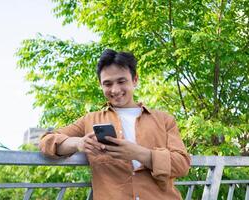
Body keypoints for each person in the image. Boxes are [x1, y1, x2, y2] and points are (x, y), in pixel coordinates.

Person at [39, 49, 191, 200]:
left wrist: (139, 153)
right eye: (108, 84)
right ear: (100, 85)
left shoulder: (164, 120)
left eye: (121, 81)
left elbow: (182, 165)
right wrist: (78, 143)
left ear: (135, 80)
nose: (115, 90)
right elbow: (47, 141)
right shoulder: (90, 120)